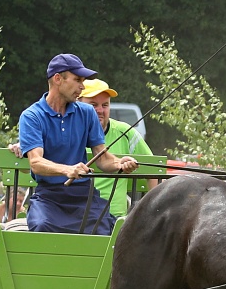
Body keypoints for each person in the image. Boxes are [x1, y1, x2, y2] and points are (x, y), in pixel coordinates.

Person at [16, 53, 138, 234]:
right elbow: (36, 163)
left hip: (84, 195)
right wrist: (67, 170)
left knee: (103, 228)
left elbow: (103, 158)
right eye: (78, 80)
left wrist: (120, 163)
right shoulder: (32, 116)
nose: (82, 86)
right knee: (42, 226)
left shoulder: (87, 112)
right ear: (58, 79)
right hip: (49, 197)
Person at [77, 78, 155, 217]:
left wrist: (154, 212)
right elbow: (26, 167)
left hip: (115, 220)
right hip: (75, 215)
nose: (100, 110)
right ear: (78, 104)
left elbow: (154, 168)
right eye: (93, 104)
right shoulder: (68, 131)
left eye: (105, 105)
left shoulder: (125, 132)